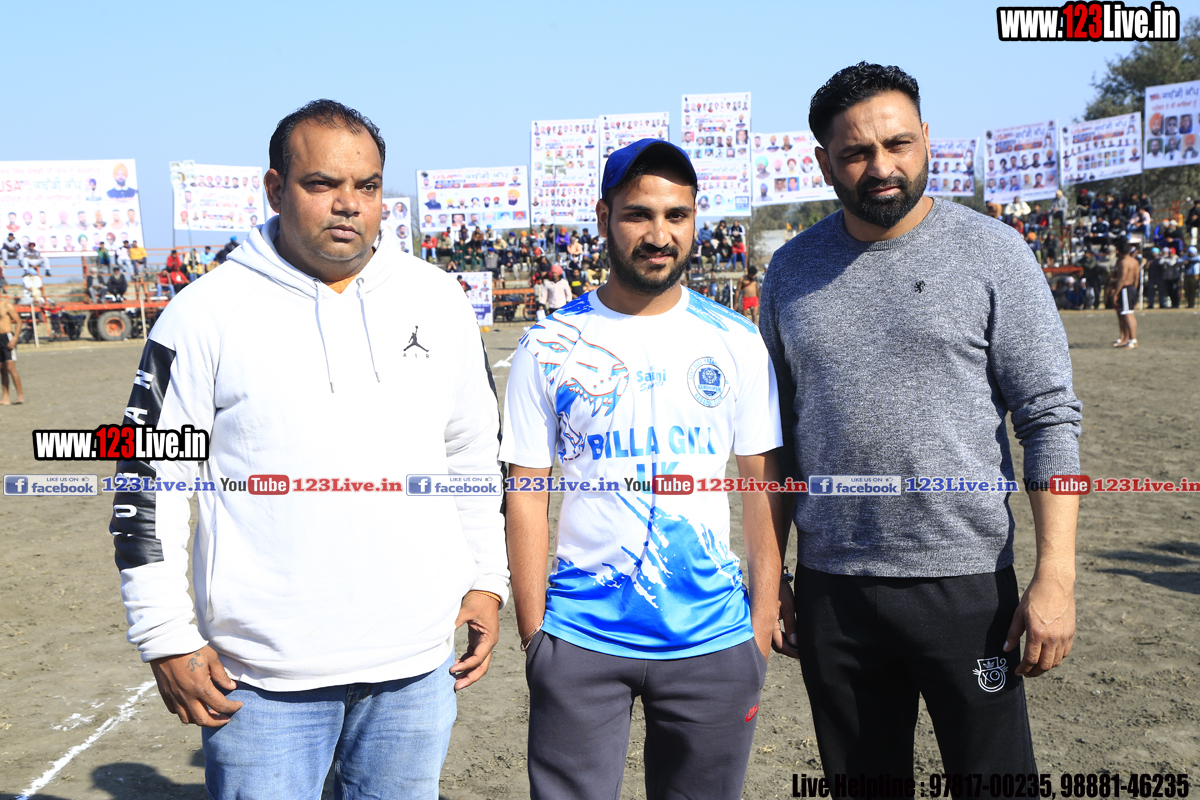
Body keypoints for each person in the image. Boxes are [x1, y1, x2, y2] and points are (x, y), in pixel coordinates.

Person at [109, 100, 508, 800]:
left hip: (417, 668)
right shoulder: (201, 314)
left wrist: (486, 578)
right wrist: (165, 635)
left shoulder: (439, 300)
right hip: (261, 681)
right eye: (322, 183)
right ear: (275, 188)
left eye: (367, 186)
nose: (348, 204)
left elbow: (471, 453)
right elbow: (146, 479)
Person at [761, 62, 1081, 786]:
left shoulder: (994, 253)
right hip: (833, 590)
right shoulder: (791, 271)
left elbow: (1049, 418)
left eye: (898, 143)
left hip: (968, 587)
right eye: (856, 152)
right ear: (824, 163)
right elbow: (772, 439)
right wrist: (771, 574)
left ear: (927, 139)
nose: (882, 166)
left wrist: (1055, 576)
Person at [502, 138, 784, 800]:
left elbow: (762, 483)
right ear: (604, 218)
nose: (660, 235)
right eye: (638, 215)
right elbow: (526, 493)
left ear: (694, 221)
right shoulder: (547, 345)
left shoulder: (736, 340)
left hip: (713, 640)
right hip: (580, 638)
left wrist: (759, 629)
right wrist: (536, 634)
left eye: (676, 215)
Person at [1110, 239, 1140, 348]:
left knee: (1128, 314)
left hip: (1125, 288)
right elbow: (1136, 278)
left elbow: (1122, 279)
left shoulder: (1124, 262)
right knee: (1126, 314)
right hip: (1131, 288)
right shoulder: (1134, 261)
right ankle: (1127, 339)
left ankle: (1133, 340)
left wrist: (1116, 293)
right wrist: (1134, 290)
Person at [0, 290, 24, 404]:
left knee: (10, 367)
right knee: (2, 369)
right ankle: (5, 397)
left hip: (7, 337)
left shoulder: (6, 305)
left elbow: (19, 322)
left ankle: (20, 395)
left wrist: (15, 338)